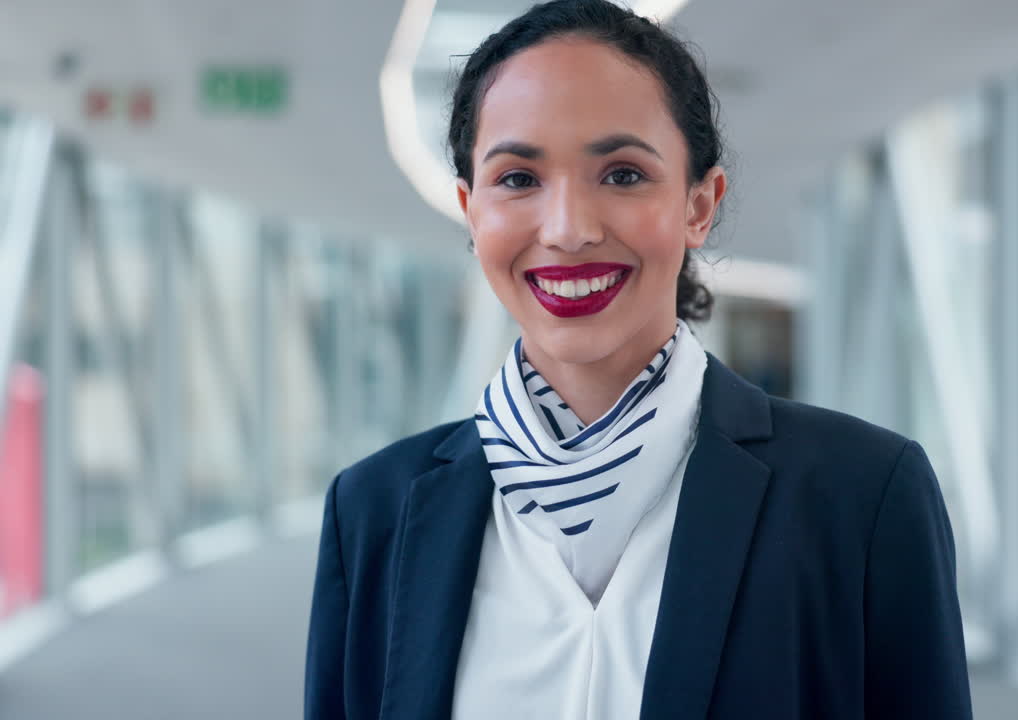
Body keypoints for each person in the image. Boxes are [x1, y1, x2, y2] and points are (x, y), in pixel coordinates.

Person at [304, 1, 972, 718]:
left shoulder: (860, 498)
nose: (567, 230)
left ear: (699, 203)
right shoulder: (374, 512)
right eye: (518, 179)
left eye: (621, 175)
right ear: (472, 210)